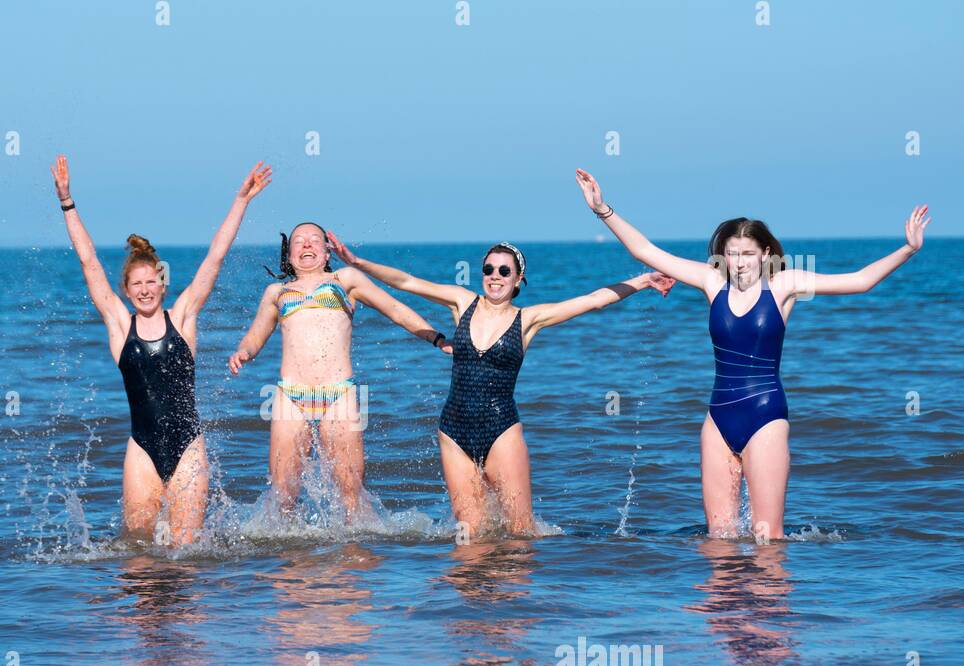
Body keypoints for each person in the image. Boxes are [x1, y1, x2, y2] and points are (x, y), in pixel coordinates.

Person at [574, 167, 930, 539]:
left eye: (746, 253)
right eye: (731, 254)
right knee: (719, 538)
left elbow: (860, 282)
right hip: (718, 419)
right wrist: (602, 209)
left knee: (768, 537)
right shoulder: (712, 283)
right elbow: (645, 251)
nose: (739, 261)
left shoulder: (784, 285)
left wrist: (908, 249)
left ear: (765, 255)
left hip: (765, 416)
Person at [329, 233, 673, 535]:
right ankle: (470, 610)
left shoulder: (528, 320)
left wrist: (643, 281)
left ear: (518, 279)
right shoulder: (461, 302)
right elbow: (406, 282)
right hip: (453, 432)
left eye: (504, 271)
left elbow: (594, 300)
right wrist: (358, 262)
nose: (495, 277)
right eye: (489, 270)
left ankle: (516, 608)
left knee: (520, 533)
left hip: (501, 430)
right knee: (470, 536)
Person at [52, 155, 270, 545]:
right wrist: (67, 200)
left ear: (162, 284)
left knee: (186, 551)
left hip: (188, 446)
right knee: (137, 552)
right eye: (136, 284)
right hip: (141, 449)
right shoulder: (121, 326)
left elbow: (215, 259)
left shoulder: (183, 318)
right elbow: (89, 264)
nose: (144, 290)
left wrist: (242, 200)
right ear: (126, 290)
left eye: (151, 282)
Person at [229, 222, 452, 517]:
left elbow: (395, 310)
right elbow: (256, 334)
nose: (306, 245)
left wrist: (436, 338)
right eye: (299, 241)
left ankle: (352, 555)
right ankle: (291, 560)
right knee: (283, 496)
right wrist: (243, 352)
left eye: (314, 240)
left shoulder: (345, 279)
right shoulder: (276, 292)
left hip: (338, 395)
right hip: (289, 397)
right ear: (289, 253)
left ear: (327, 251)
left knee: (351, 494)